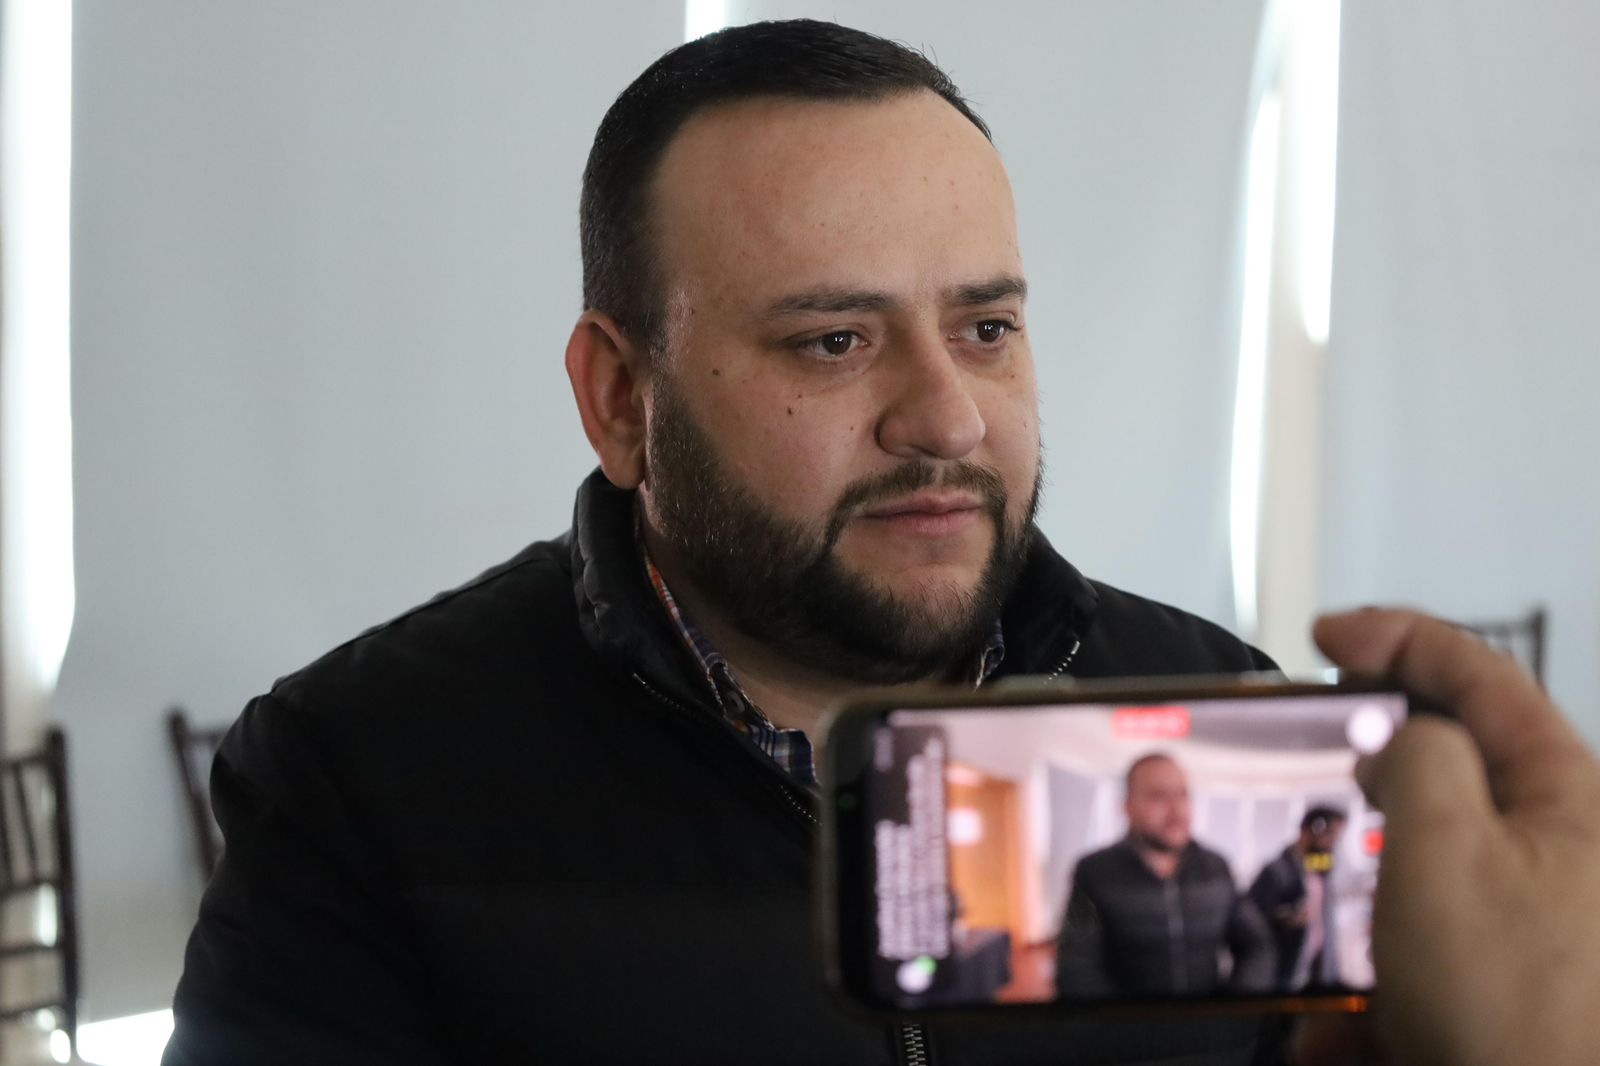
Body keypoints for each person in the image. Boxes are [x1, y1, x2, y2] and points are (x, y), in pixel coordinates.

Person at [162, 20, 1287, 1066]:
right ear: (619, 398)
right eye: (835, 341)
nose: (947, 420)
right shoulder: (360, 785)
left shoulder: (1226, 712)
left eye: (985, 328)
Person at [1293, 608, 1600, 1066]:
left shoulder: (1362, 868)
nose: (1328, 837)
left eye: (1332, 828)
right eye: (1321, 829)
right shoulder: (1281, 871)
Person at [1055, 754, 1274, 998]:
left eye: (1182, 794)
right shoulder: (1094, 872)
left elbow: (1257, 946)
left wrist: (1234, 1009)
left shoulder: (1216, 867)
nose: (1176, 810)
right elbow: (1076, 966)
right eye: (1158, 796)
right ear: (1127, 807)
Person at [1248, 806, 1348, 992]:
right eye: (1329, 836)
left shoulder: (1320, 872)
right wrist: (1285, 919)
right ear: (1312, 831)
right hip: (1283, 976)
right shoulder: (1276, 872)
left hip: (1316, 974)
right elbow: (1252, 919)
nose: (1332, 844)